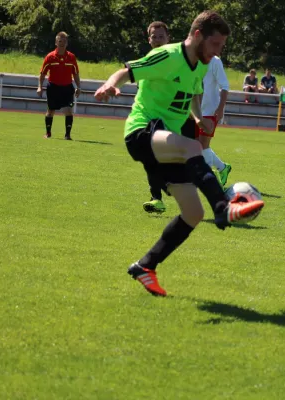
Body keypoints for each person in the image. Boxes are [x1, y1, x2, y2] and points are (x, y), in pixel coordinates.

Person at [94, 11, 265, 297]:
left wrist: (199, 119)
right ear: (198, 35)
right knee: (192, 146)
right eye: (215, 45)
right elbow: (127, 70)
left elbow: (190, 97)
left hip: (165, 142)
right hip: (142, 131)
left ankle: (146, 266)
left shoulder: (200, 65)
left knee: (194, 213)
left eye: (221, 46)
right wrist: (111, 84)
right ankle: (224, 207)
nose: (218, 52)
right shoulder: (167, 56)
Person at [141, 21, 171, 214]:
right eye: (154, 37)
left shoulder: (175, 61)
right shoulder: (146, 61)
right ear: (149, 40)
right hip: (150, 117)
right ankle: (157, 197)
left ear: (168, 39)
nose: (158, 40)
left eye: (161, 36)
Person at [37, 32, 81, 140]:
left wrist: (78, 87)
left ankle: (67, 135)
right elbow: (42, 73)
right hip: (53, 87)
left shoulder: (71, 57)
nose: (62, 43)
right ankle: (48, 133)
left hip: (67, 88)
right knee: (51, 111)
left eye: (64, 41)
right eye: (60, 41)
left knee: (68, 111)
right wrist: (39, 86)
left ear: (67, 43)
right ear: (56, 42)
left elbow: (75, 73)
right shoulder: (50, 57)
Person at [196, 55, 232, 186]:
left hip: (211, 110)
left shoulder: (215, 61)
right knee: (197, 144)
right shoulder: (191, 56)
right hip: (195, 110)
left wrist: (221, 108)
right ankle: (222, 168)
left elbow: (225, 86)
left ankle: (208, 179)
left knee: (203, 145)